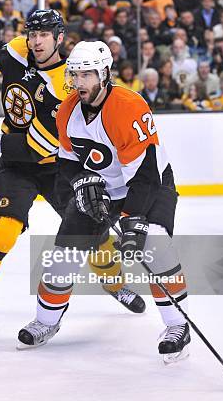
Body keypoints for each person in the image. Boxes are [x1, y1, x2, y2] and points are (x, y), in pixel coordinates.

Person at [0, 10, 145, 334]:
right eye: (32, 34)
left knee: (92, 232)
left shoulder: (67, 84)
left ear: (59, 38)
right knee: (1, 231)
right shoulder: (20, 49)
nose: (36, 42)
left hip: (57, 167)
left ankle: (114, 283)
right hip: (16, 167)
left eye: (44, 35)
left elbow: (39, 148)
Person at [18, 41, 190, 364]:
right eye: (75, 74)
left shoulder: (129, 107)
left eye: (86, 75)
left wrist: (132, 220)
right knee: (62, 256)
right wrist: (80, 184)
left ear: (104, 74)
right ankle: (46, 321)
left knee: (154, 244)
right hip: (103, 189)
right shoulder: (68, 111)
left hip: (150, 186)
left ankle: (177, 326)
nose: (78, 82)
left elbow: (147, 174)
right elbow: (67, 162)